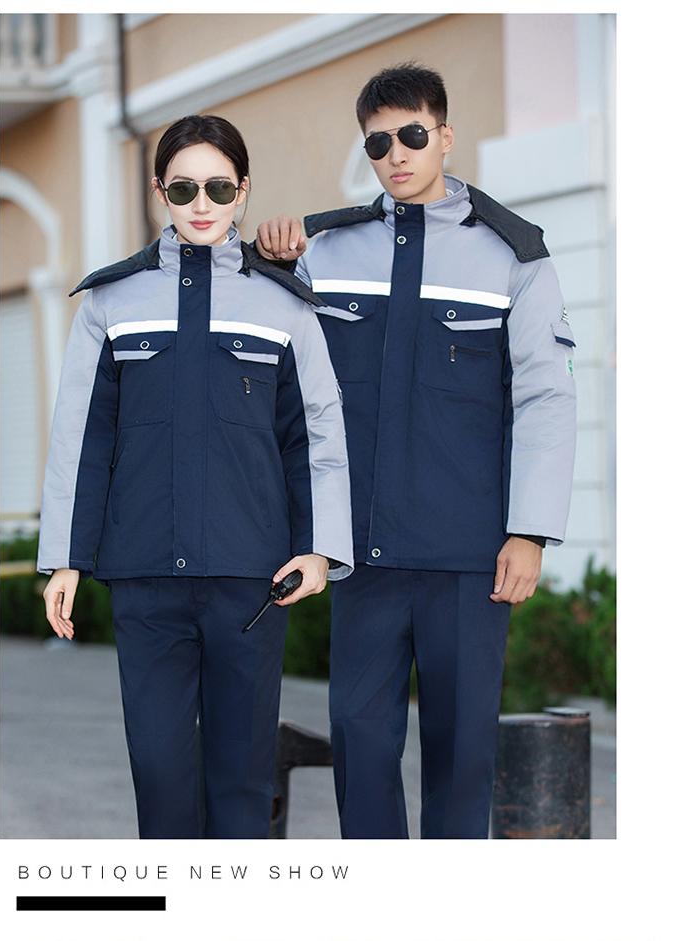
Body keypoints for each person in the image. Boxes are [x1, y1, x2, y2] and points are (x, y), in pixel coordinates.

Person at [255, 63, 577, 839]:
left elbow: (547, 396)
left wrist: (530, 530)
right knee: (360, 747)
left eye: (411, 135)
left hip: (469, 558)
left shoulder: (514, 256)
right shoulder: (328, 252)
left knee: (462, 757)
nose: (395, 154)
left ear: (445, 136)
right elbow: (276, 373)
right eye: (377, 142)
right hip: (363, 555)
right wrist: (270, 264)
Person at [35, 114, 354, 839]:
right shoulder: (111, 303)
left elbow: (316, 434)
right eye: (183, 189)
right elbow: (81, 436)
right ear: (160, 193)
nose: (201, 203)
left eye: (218, 187)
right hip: (146, 578)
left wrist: (319, 548)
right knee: (160, 774)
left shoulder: (284, 304)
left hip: (251, 580)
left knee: (241, 777)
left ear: (243, 191)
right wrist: (65, 558)